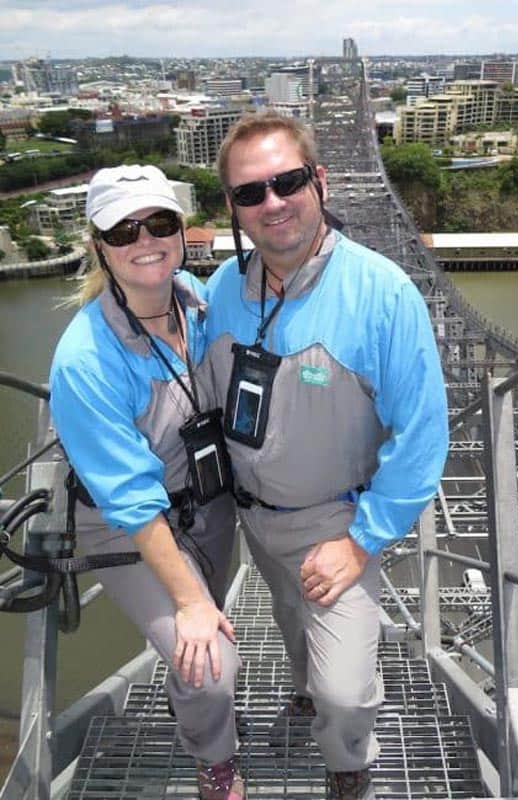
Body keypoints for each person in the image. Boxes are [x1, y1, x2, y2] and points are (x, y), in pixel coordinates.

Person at [202, 111, 449, 800]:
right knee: (288, 624)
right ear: (232, 207)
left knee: (344, 690)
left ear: (319, 180)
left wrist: (362, 540)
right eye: (250, 192)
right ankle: (303, 692)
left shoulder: (382, 294)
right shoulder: (220, 289)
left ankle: (347, 762)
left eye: (286, 181)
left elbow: (423, 435)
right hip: (252, 518)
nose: (271, 202)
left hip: (336, 525)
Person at [49, 164, 244, 800]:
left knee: (196, 648)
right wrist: (189, 602)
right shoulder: (87, 359)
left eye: (159, 223)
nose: (145, 240)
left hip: (207, 500)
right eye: (123, 229)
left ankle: (186, 699)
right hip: (132, 526)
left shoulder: (196, 298)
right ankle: (214, 761)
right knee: (211, 663)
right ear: (98, 245)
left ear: (182, 230)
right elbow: (131, 501)